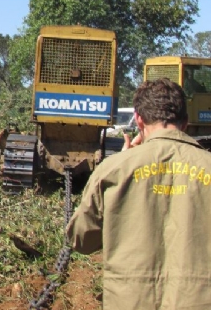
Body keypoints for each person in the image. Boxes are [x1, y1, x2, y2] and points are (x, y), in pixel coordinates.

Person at [66, 78, 211, 309]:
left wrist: (125, 161)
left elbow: (80, 240)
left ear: (140, 120)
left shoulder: (114, 169)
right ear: (185, 123)